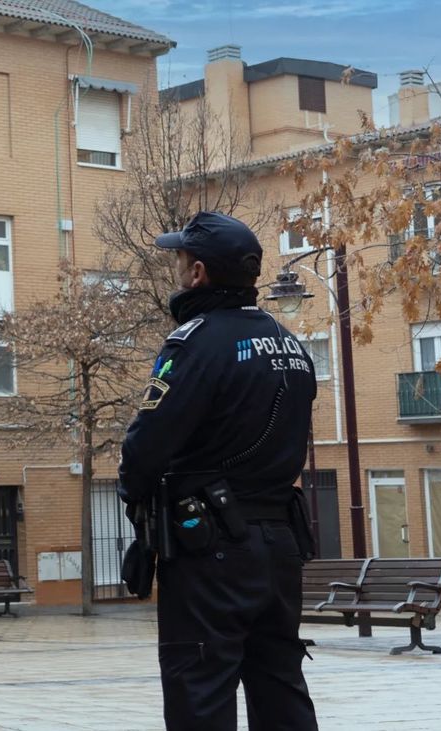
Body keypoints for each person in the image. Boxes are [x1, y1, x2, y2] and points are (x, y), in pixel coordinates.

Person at [118, 211, 319, 730]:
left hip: (211, 548)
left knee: (199, 688)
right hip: (279, 544)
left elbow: (146, 448)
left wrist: (134, 498)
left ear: (199, 273)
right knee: (280, 685)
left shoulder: (196, 341)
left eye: (181, 258)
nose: (178, 267)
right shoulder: (290, 344)